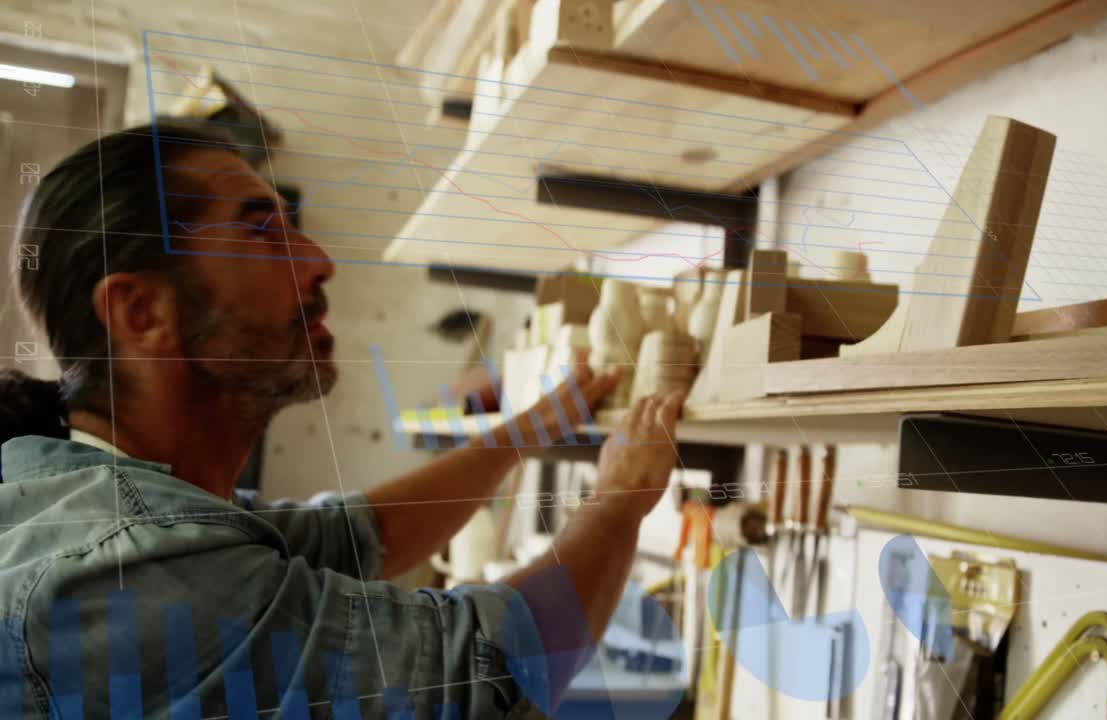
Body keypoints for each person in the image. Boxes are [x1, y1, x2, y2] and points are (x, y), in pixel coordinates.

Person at [0, 122, 685, 718]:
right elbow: (490, 677)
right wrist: (619, 500)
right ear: (142, 313)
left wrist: (528, 428)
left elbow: (358, 536)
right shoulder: (123, 570)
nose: (318, 261)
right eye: (261, 231)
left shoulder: (93, 490)